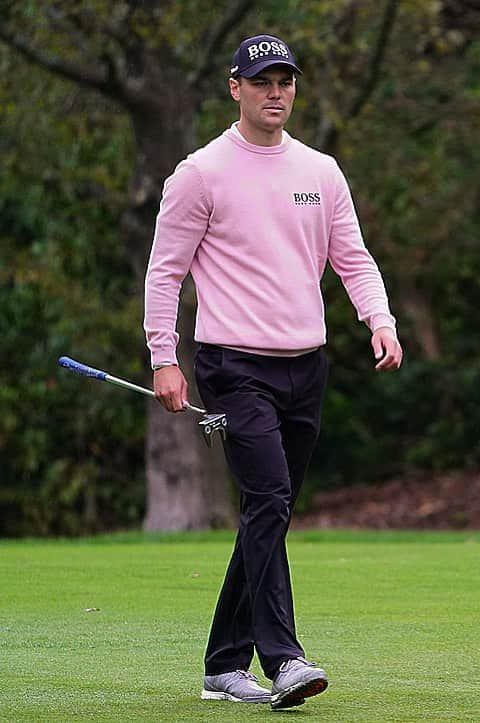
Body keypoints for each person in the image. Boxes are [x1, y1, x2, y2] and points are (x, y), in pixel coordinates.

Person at [143, 34, 403, 710]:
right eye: (262, 81)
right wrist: (163, 357)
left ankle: (222, 665)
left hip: (305, 366)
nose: (275, 91)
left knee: (271, 508)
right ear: (235, 87)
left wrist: (379, 319)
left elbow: (352, 258)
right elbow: (164, 272)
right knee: (268, 501)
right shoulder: (200, 172)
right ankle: (283, 657)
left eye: (284, 80)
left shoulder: (321, 170)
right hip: (232, 367)